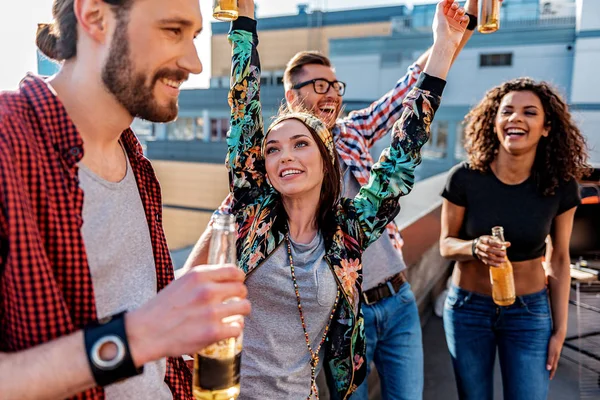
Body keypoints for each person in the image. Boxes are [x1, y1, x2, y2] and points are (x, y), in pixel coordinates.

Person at [186, 2, 498, 398]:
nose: (285, 155)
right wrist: (244, 21)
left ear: (326, 158)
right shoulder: (254, 216)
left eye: (300, 144)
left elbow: (403, 150)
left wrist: (443, 47)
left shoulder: (347, 232)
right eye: (273, 149)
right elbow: (243, 107)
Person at [0, 0, 251, 399]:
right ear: (96, 18)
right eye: (173, 31)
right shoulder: (7, 145)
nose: (194, 63)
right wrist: (135, 337)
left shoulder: (138, 163)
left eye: (195, 37)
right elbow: (142, 333)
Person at [439, 78, 589, 399]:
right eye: (506, 111)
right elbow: (446, 244)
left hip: (530, 313)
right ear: (494, 122)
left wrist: (559, 330)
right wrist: (475, 247)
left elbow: (560, 259)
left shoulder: (560, 186)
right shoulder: (464, 178)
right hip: (468, 310)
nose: (516, 118)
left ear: (546, 128)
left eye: (529, 112)